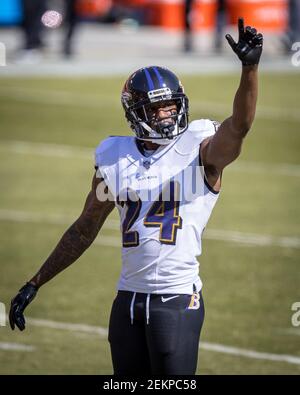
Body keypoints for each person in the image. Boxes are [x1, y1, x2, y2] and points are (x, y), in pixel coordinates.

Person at [9, 19, 263, 375]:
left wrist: (249, 69)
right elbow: (84, 229)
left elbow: (240, 126)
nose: (168, 114)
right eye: (158, 109)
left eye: (172, 106)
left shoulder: (201, 149)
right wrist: (35, 282)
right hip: (127, 300)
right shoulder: (114, 156)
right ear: (135, 113)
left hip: (176, 301)